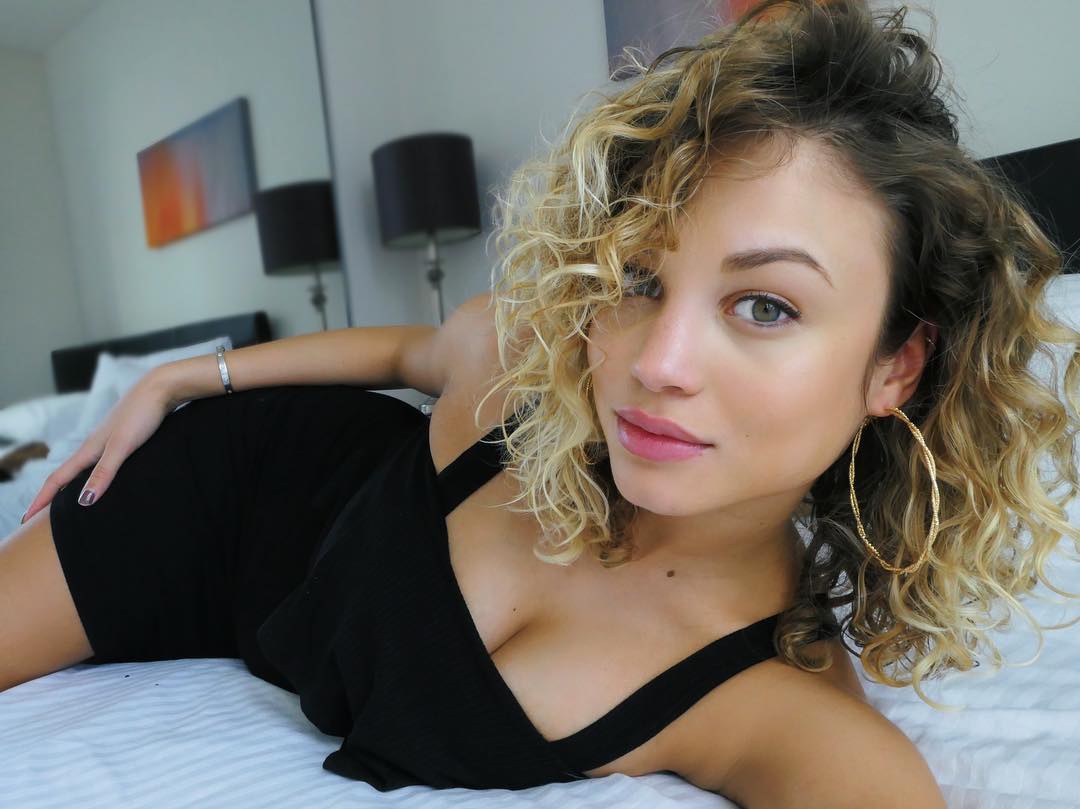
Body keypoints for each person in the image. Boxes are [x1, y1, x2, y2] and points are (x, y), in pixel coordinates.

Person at [3, 0, 1078, 804]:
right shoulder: (534, 367)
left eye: (764, 305)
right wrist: (184, 377)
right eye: (640, 278)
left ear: (897, 367)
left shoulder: (776, 701)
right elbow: (410, 345)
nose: (658, 362)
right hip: (213, 492)